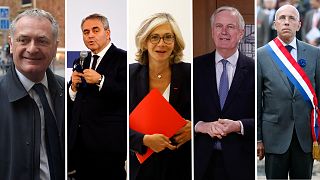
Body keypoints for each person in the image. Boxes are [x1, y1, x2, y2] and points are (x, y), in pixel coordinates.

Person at [0, 8, 65, 180]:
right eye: (23, 40)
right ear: (12, 44)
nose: (32, 48)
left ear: (55, 46)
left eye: (42, 41)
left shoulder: (67, 91)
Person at [257, 4, 320, 179]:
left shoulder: (314, 53)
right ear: (274, 24)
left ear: (299, 25)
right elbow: (257, 101)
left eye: (292, 18)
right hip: (274, 137)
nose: (287, 22)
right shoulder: (261, 55)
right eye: (282, 18)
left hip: (305, 137)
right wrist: (258, 138)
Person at [194, 6, 255, 180]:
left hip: (242, 164)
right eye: (219, 26)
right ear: (212, 31)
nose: (224, 32)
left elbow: (262, 116)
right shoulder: (195, 68)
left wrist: (238, 125)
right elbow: (183, 113)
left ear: (241, 33)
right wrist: (201, 126)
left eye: (230, 26)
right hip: (201, 163)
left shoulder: (254, 70)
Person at [129, 13, 191, 180]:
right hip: (142, 170)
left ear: (175, 42)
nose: (161, 44)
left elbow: (209, 113)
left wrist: (194, 127)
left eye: (168, 37)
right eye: (154, 37)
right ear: (144, 41)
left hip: (180, 167)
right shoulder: (130, 75)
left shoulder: (190, 74)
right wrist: (143, 140)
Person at [67, 13, 127, 179]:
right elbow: (74, 101)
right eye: (86, 32)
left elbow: (127, 93)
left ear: (107, 33)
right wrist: (73, 87)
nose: (90, 35)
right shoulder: (80, 60)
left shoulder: (123, 58)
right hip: (80, 145)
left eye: (95, 30)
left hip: (109, 145)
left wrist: (101, 80)